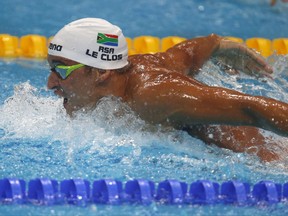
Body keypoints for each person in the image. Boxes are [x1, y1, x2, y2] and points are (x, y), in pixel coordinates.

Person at [47, 18, 288, 162]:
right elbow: (183, 54)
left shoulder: (153, 96)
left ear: (101, 72)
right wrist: (219, 45)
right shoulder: (136, 67)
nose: (50, 83)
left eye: (61, 70)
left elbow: (252, 107)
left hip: (269, 163)